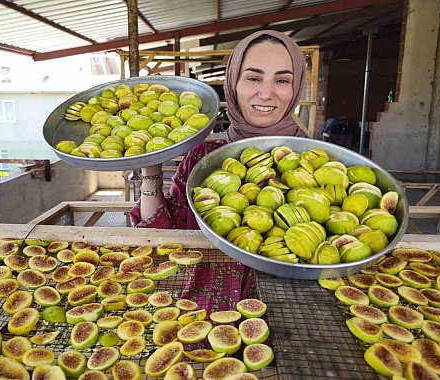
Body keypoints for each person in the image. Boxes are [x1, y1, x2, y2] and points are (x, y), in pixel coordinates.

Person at [128, 30, 308, 312]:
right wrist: (151, 167)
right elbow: (161, 235)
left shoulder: (320, 161)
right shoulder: (203, 156)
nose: (266, 92)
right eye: (253, 77)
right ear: (233, 83)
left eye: (282, 80)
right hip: (206, 311)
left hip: (296, 318)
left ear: (297, 88)